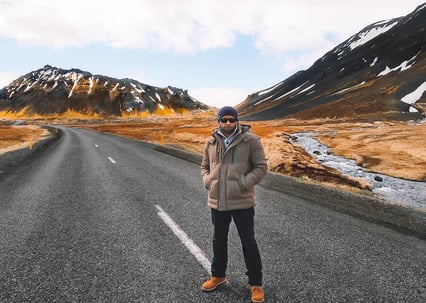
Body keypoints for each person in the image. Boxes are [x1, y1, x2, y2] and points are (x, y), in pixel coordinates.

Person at [200, 106, 268, 303]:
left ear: (237, 121)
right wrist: (208, 181)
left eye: (231, 119)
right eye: (224, 120)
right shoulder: (211, 141)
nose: (228, 123)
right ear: (219, 121)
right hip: (218, 200)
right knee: (218, 240)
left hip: (242, 201)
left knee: (249, 242)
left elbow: (261, 167)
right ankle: (218, 276)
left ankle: (256, 284)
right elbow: (204, 165)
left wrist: (244, 184)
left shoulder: (251, 140)